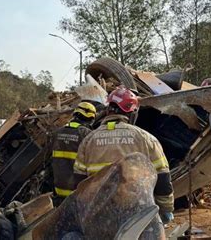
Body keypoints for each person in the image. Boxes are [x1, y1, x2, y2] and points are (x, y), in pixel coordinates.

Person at [73, 86, 174, 224]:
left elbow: (79, 184)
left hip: (99, 215)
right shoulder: (146, 139)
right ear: (132, 113)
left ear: (108, 110)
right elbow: (163, 179)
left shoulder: (88, 141)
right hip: (136, 215)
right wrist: (165, 209)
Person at [50, 101, 96, 205]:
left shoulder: (57, 133)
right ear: (90, 119)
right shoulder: (87, 134)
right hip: (77, 192)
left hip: (58, 190)